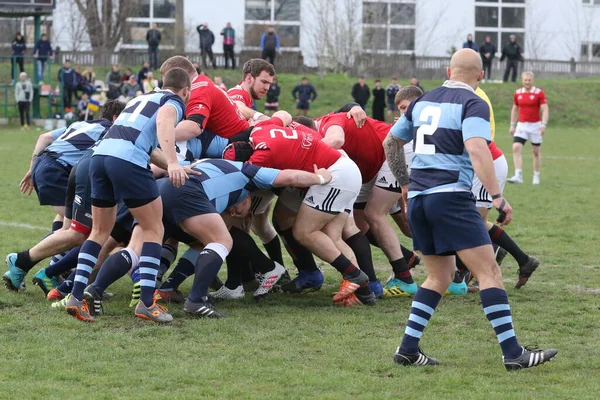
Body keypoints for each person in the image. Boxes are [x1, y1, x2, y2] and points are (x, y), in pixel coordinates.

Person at [385, 48, 557, 370]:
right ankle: (513, 354)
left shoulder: (422, 101)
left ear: (448, 72)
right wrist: (496, 196)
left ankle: (408, 349)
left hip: (420, 200)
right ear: (480, 76)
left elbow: (390, 143)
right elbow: (477, 149)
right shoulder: (473, 102)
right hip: (450, 197)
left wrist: (405, 184)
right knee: (489, 271)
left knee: (439, 275)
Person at [64, 67, 193, 323]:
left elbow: (140, 142)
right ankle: (146, 303)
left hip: (99, 158)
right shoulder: (174, 101)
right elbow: (164, 123)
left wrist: (172, 165)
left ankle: (76, 297)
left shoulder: (139, 98)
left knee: (99, 231)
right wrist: (174, 161)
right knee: (154, 228)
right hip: (126, 161)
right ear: (185, 91)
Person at [2, 101, 125, 294]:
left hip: (53, 166)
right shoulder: (111, 131)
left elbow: (44, 137)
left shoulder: (81, 124)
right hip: (59, 170)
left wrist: (32, 167)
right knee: (85, 231)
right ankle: (25, 262)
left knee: (67, 225)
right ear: (116, 118)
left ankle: (49, 269)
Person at [473, 87, 540, 288]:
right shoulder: (464, 95)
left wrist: (496, 194)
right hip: (477, 163)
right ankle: (522, 260)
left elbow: (481, 140)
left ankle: (483, 273)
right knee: (471, 220)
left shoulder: (473, 96)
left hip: (486, 162)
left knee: (473, 221)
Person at [507, 71, 549, 185]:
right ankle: (518, 175)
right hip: (522, 125)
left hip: (535, 125)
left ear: (533, 80)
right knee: (516, 147)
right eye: (525, 80)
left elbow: (545, 109)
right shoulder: (518, 93)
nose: (527, 82)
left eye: (529, 80)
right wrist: (512, 125)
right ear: (522, 80)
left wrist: (543, 124)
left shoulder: (539, 93)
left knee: (535, 151)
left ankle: (536, 176)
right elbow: (515, 109)